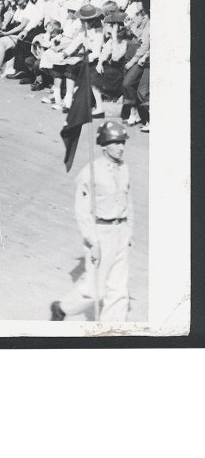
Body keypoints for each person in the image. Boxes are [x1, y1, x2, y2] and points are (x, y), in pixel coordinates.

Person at [51, 121, 133, 322]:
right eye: (115, 143)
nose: (121, 147)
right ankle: (62, 308)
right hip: (101, 233)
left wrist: (129, 231)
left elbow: (128, 201)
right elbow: (82, 210)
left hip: (120, 230)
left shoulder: (124, 169)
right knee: (94, 290)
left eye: (122, 142)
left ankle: (111, 334)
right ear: (104, 144)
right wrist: (93, 241)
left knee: (119, 289)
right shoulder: (91, 171)